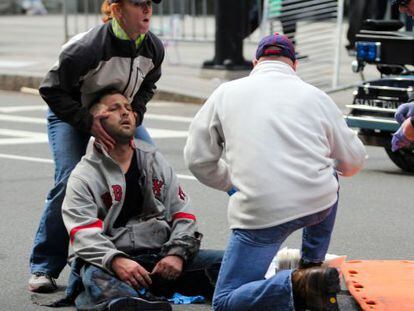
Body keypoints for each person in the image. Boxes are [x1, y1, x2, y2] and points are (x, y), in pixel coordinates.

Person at [184, 33, 367, 310]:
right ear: (294, 66)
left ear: (255, 63)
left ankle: (297, 282)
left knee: (225, 301)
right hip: (316, 203)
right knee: (331, 175)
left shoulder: (226, 93)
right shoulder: (316, 96)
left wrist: (230, 184)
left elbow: (197, 159)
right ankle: (312, 265)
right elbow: (352, 162)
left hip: (260, 214)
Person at [29, 0, 165, 292]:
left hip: (119, 112)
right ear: (117, 10)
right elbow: (50, 90)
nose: (147, 10)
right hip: (73, 115)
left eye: (150, 4)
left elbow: (148, 85)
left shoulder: (154, 48)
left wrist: (136, 112)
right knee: (69, 180)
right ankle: (44, 266)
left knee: (150, 168)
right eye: (139, 4)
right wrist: (87, 122)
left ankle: (137, 254)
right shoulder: (86, 49)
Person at [61, 89, 223, 310]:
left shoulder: (154, 160)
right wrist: (117, 261)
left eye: (128, 108)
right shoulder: (84, 175)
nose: (126, 113)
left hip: (161, 258)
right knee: (95, 276)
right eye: (114, 108)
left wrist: (176, 254)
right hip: (113, 263)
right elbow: (83, 234)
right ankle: (132, 303)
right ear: (96, 119)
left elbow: (182, 213)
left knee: (231, 263)